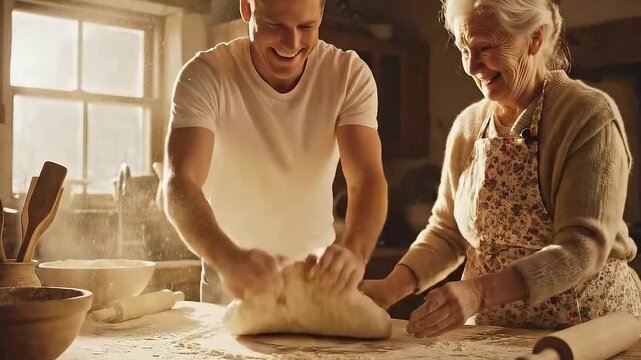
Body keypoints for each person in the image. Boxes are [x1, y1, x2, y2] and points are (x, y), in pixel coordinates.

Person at [362, 0, 641, 337]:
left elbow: (582, 247)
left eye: (486, 47)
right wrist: (390, 288)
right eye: (464, 49)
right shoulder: (469, 125)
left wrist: (479, 292)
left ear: (535, 39)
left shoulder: (586, 115)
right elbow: (447, 232)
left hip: (584, 333)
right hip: (492, 333)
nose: (472, 66)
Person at [163, 0, 387, 304]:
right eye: (275, 26)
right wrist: (230, 259)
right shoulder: (206, 75)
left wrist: (355, 251)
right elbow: (180, 184)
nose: (291, 43)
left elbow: (366, 178)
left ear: (321, 13)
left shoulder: (348, 75)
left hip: (318, 282)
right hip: (230, 284)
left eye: (306, 27)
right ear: (246, 9)